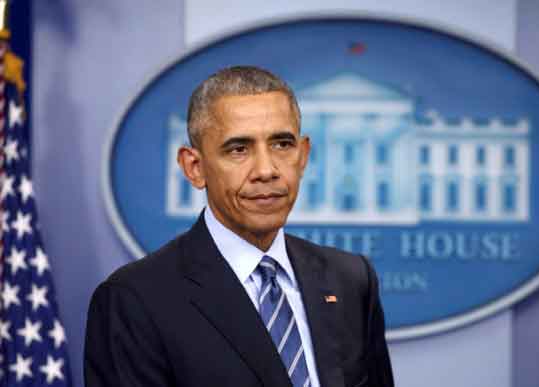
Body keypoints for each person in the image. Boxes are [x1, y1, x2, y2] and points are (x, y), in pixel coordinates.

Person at [84, 66, 394, 387]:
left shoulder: (350, 280)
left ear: (303, 157)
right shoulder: (135, 300)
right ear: (195, 167)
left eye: (281, 144)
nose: (266, 170)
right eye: (239, 149)